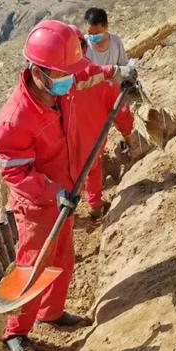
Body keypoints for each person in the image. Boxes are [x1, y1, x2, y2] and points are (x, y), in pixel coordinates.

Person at [0, 19, 136, 351]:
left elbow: (87, 72)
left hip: (67, 190)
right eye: (62, 75)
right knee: (34, 263)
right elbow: (17, 173)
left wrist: (118, 72)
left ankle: (51, 312)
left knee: (64, 257)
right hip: (38, 202)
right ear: (38, 71)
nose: (71, 79)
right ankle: (15, 331)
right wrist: (53, 192)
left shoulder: (64, 77)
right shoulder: (13, 120)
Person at [68, 24, 135, 219]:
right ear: (85, 47)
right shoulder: (102, 77)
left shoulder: (54, 81)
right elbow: (121, 114)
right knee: (92, 167)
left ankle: (70, 216)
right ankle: (95, 205)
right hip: (92, 142)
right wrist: (129, 138)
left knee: (68, 179)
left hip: (64, 145)